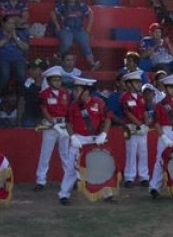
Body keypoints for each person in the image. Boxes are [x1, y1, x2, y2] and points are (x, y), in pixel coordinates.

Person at [57, 75, 111, 204]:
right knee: (71, 168)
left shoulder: (99, 102)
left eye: (77, 90)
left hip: (95, 140)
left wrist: (104, 134)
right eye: (74, 90)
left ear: (86, 91)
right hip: (79, 141)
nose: (74, 92)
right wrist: (73, 137)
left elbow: (107, 118)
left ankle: (107, 193)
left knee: (101, 166)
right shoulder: (73, 106)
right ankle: (64, 194)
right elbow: (68, 123)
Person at [34, 66, 72, 190]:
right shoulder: (44, 94)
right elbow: (44, 110)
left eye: (59, 80)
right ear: (49, 81)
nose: (57, 82)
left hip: (63, 125)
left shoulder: (65, 93)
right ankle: (41, 180)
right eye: (54, 80)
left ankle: (69, 178)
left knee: (65, 153)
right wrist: (54, 124)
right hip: (51, 126)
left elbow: (68, 111)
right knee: (46, 153)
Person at [52, 0, 98, 70]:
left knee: (85, 41)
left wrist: (88, 29)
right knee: (66, 42)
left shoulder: (81, 5)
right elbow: (52, 13)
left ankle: (92, 63)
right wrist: (57, 26)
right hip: (65, 29)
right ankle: (58, 60)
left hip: (79, 30)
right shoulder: (62, 4)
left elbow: (91, 14)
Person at [119, 70, 150, 187]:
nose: (138, 84)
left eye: (139, 82)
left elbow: (145, 111)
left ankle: (144, 177)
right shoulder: (125, 97)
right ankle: (129, 177)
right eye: (136, 82)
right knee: (131, 152)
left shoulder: (141, 97)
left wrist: (146, 125)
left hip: (142, 128)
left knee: (143, 152)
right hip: (131, 128)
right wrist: (139, 125)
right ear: (128, 84)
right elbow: (128, 113)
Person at [0, 14, 30, 97]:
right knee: (4, 74)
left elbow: (25, 47)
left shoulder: (19, 33)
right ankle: (0, 97)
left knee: (21, 74)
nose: (12, 26)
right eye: (9, 23)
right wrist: (7, 38)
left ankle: (21, 98)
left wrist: (15, 38)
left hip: (17, 59)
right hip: (0, 59)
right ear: (3, 24)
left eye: (13, 23)